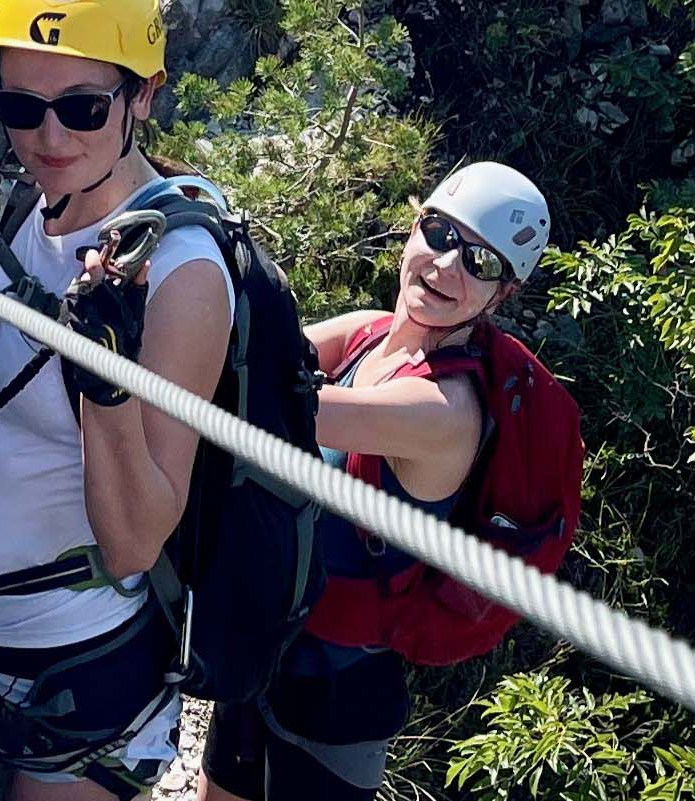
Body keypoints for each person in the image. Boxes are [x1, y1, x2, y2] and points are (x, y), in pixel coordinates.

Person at [0, 0, 236, 801]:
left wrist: (106, 388)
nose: (48, 137)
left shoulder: (179, 276)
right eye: (20, 105)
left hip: (78, 677)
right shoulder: (40, 206)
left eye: (81, 106)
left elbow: (136, 538)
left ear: (143, 94)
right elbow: (14, 379)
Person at [200, 163, 552, 801]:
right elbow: (251, 355)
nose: (449, 266)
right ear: (412, 230)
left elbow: (272, 410)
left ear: (502, 295)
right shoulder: (367, 334)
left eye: (482, 262)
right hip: (267, 639)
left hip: (337, 694)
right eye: (441, 233)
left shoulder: (444, 412)